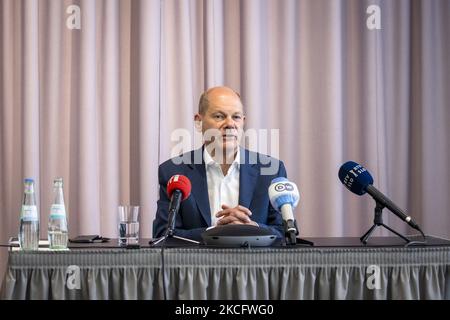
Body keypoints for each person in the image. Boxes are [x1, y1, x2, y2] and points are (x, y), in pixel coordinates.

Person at [152, 86, 288, 242]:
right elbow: (163, 235)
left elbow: (287, 234)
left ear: (243, 122)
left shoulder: (271, 171)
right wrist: (215, 232)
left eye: (236, 117)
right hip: (197, 266)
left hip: (254, 266)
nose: (230, 124)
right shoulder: (173, 171)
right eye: (219, 116)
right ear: (199, 121)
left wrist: (252, 229)